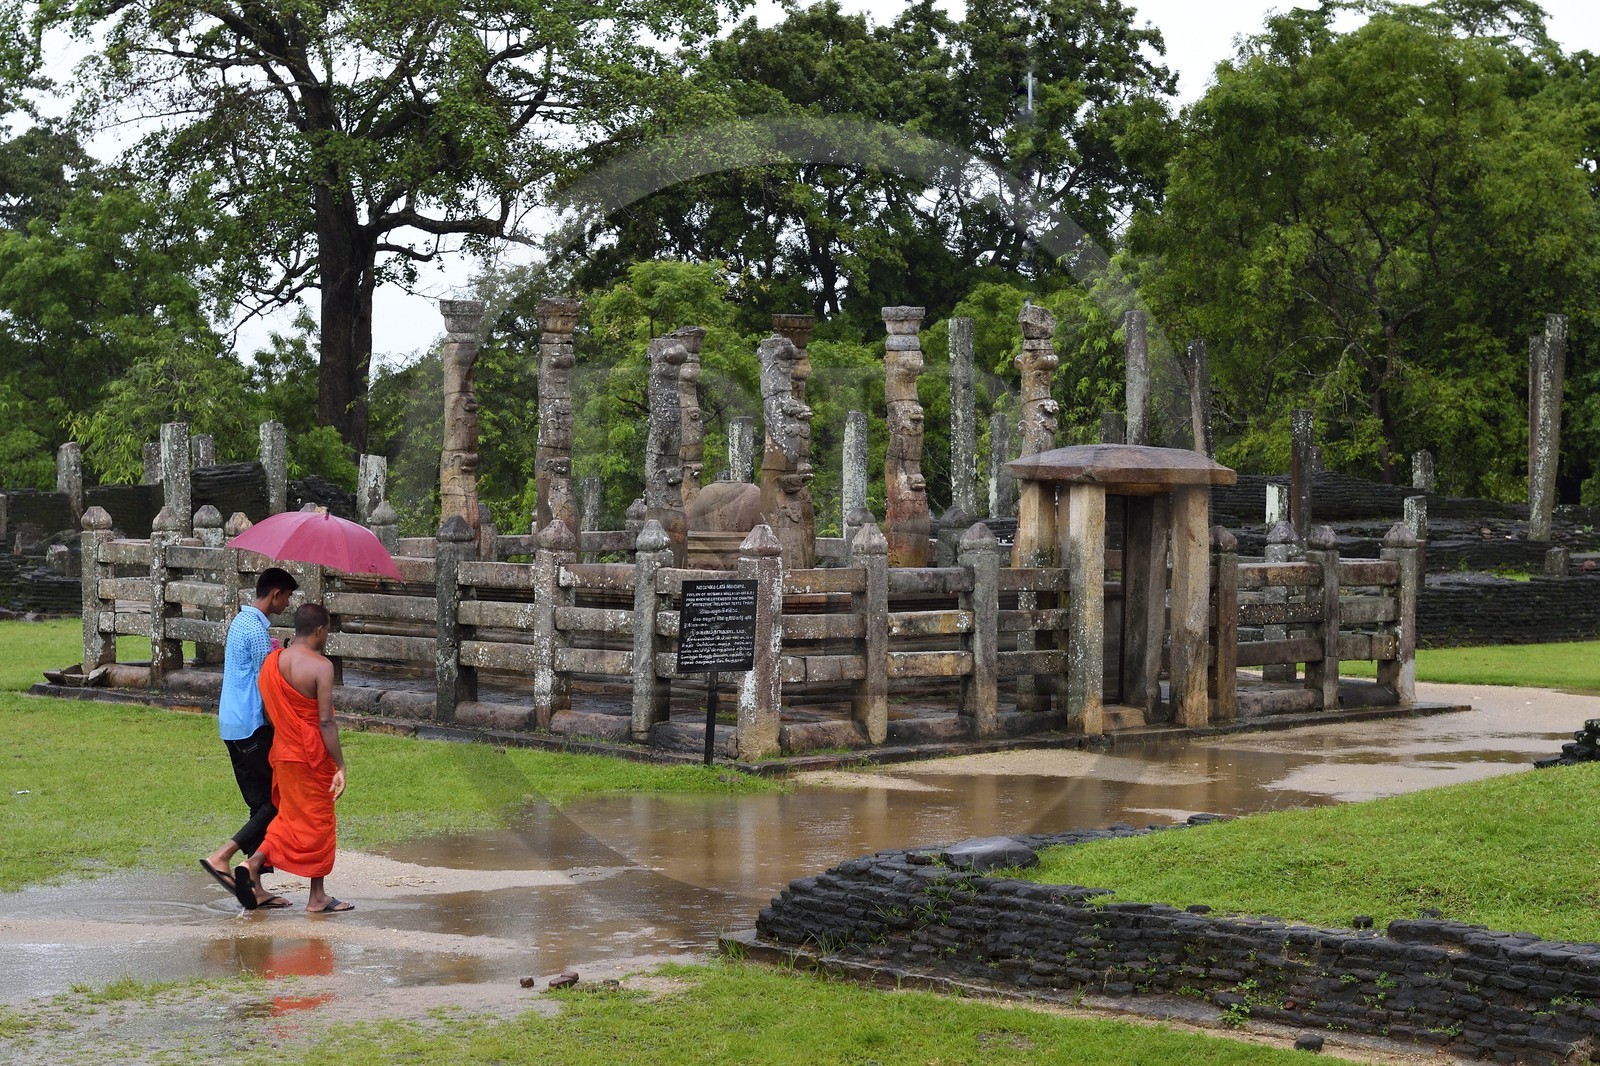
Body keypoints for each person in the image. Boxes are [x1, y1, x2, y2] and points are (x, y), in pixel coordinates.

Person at [233, 602, 353, 914]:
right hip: (312, 756)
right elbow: (325, 721)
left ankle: (253, 862)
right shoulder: (321, 667)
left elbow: (273, 710)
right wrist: (339, 763)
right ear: (320, 630)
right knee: (318, 821)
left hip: (283, 753)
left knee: (288, 817)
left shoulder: (274, 662)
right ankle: (317, 896)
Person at [200, 566, 298, 908]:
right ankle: (223, 856)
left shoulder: (244, 623)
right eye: (287, 596)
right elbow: (268, 686)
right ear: (275, 594)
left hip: (233, 723)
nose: (287, 603)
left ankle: (254, 882)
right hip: (251, 725)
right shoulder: (255, 630)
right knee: (278, 799)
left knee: (261, 803)